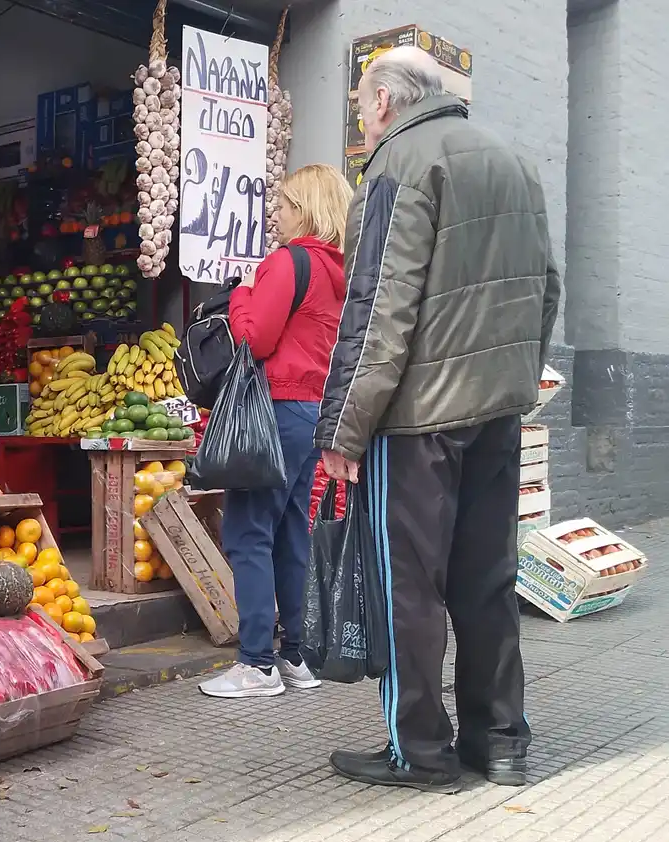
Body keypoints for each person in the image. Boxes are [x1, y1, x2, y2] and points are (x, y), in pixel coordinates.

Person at [318, 47, 560, 792]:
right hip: (497, 411)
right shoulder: (514, 163)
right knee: (487, 580)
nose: (360, 124)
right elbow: (546, 288)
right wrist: (515, 381)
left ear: (386, 102)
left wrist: (342, 431)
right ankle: (502, 743)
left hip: (418, 418)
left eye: (360, 109)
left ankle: (418, 751)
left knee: (408, 585)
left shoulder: (399, 165)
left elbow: (377, 308)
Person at [198, 164, 352, 699]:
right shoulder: (340, 271)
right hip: (313, 412)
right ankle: (296, 656)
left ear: (305, 210)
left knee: (247, 533)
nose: (277, 215)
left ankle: (256, 663)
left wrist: (240, 295)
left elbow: (256, 339)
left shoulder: (289, 262)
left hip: (276, 411)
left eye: (284, 205)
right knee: (290, 533)